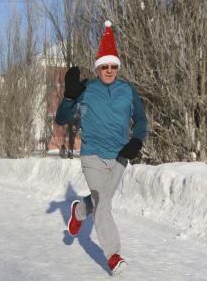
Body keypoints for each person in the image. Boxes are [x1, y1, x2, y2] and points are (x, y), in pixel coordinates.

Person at [55, 20, 148, 275]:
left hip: (120, 156)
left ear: (118, 66)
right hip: (92, 155)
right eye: (104, 66)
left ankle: (79, 210)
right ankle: (114, 255)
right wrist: (70, 96)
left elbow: (141, 120)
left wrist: (137, 140)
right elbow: (61, 119)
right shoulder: (86, 89)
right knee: (103, 204)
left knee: (100, 201)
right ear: (98, 67)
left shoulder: (128, 91)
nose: (109, 70)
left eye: (113, 66)